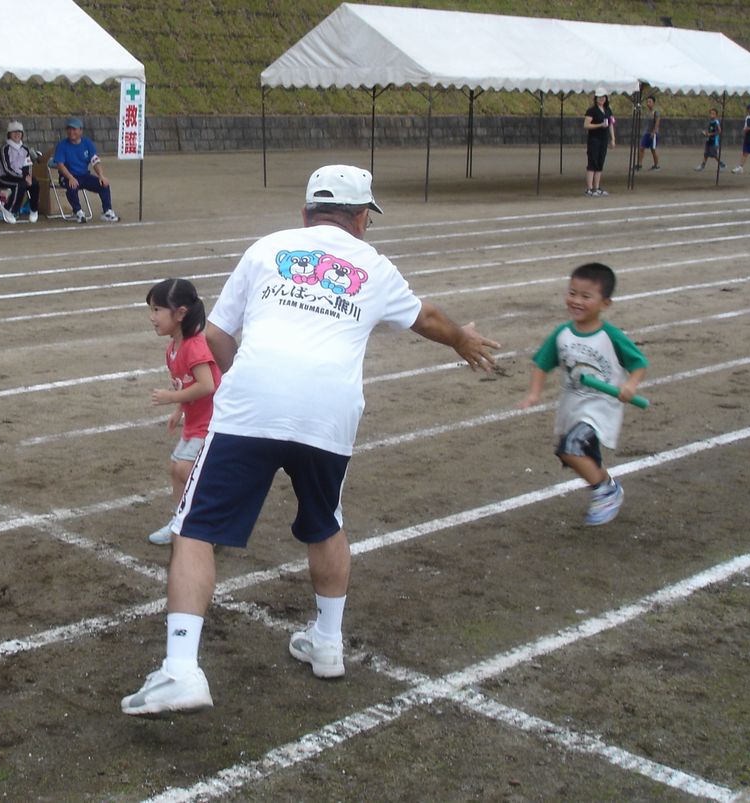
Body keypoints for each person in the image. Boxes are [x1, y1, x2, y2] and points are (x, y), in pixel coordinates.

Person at [120, 165, 500, 715]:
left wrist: (254, 380)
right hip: (330, 410)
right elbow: (428, 317)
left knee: (197, 529)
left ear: (306, 213)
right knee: (325, 523)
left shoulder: (268, 248)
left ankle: (181, 670)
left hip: (252, 405)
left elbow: (219, 336)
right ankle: (327, 644)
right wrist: (461, 337)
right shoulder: (374, 265)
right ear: (363, 218)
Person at [518, 262, 648, 527]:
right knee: (578, 456)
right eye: (572, 293)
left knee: (571, 448)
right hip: (573, 406)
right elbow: (542, 363)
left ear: (605, 303)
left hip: (601, 407)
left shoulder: (610, 336)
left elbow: (638, 364)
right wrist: (533, 394)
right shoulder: (563, 334)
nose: (576, 300)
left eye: (586, 296)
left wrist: (631, 385)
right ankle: (606, 486)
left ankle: (606, 491)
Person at [145, 278, 221, 546]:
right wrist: (179, 409)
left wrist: (171, 398)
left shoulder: (194, 345)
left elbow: (207, 385)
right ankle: (181, 522)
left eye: (157, 310)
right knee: (178, 468)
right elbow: (187, 382)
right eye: (151, 309)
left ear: (180, 313)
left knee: (186, 469)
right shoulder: (173, 348)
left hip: (212, 421)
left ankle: (203, 528)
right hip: (196, 421)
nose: (152, 317)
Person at [53, 117, 120, 224]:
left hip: (84, 175)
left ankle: (107, 211)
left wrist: (101, 176)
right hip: (67, 176)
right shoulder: (62, 145)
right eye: (69, 129)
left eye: (74, 129)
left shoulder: (87, 143)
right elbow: (60, 165)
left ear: (81, 130)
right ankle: (78, 212)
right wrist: (70, 177)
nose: (71, 132)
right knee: (72, 186)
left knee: (103, 184)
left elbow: (95, 161)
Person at [0, 120, 40, 224]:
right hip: (5, 178)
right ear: (9, 134)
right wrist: (23, 178)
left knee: (35, 183)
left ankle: (34, 209)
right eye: (14, 132)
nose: (17, 134)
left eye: (19, 132)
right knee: (21, 184)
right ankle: (9, 209)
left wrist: (28, 176)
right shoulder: (4, 149)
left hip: (21, 177)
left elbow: (27, 165)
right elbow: (7, 168)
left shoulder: (25, 149)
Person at [584, 89, 615, 197]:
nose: (601, 99)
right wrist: (600, 125)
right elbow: (586, 125)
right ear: (596, 98)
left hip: (604, 139)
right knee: (592, 162)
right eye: (599, 97)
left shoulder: (608, 110)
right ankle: (589, 188)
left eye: (603, 97)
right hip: (594, 139)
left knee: (600, 162)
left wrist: (613, 138)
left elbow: (611, 124)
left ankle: (596, 187)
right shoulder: (591, 110)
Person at [635, 96, 661, 171]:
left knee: (653, 149)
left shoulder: (656, 112)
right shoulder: (647, 112)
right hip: (647, 132)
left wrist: (654, 132)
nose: (648, 103)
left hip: (653, 133)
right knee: (641, 148)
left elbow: (657, 122)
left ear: (653, 103)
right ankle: (639, 164)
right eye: (647, 102)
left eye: (650, 102)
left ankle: (656, 165)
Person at [730, 102, 750, 174]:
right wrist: (745, 129)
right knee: (745, 153)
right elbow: (745, 126)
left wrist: (749, 129)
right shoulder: (747, 117)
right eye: (749, 109)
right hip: (748, 138)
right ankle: (740, 167)